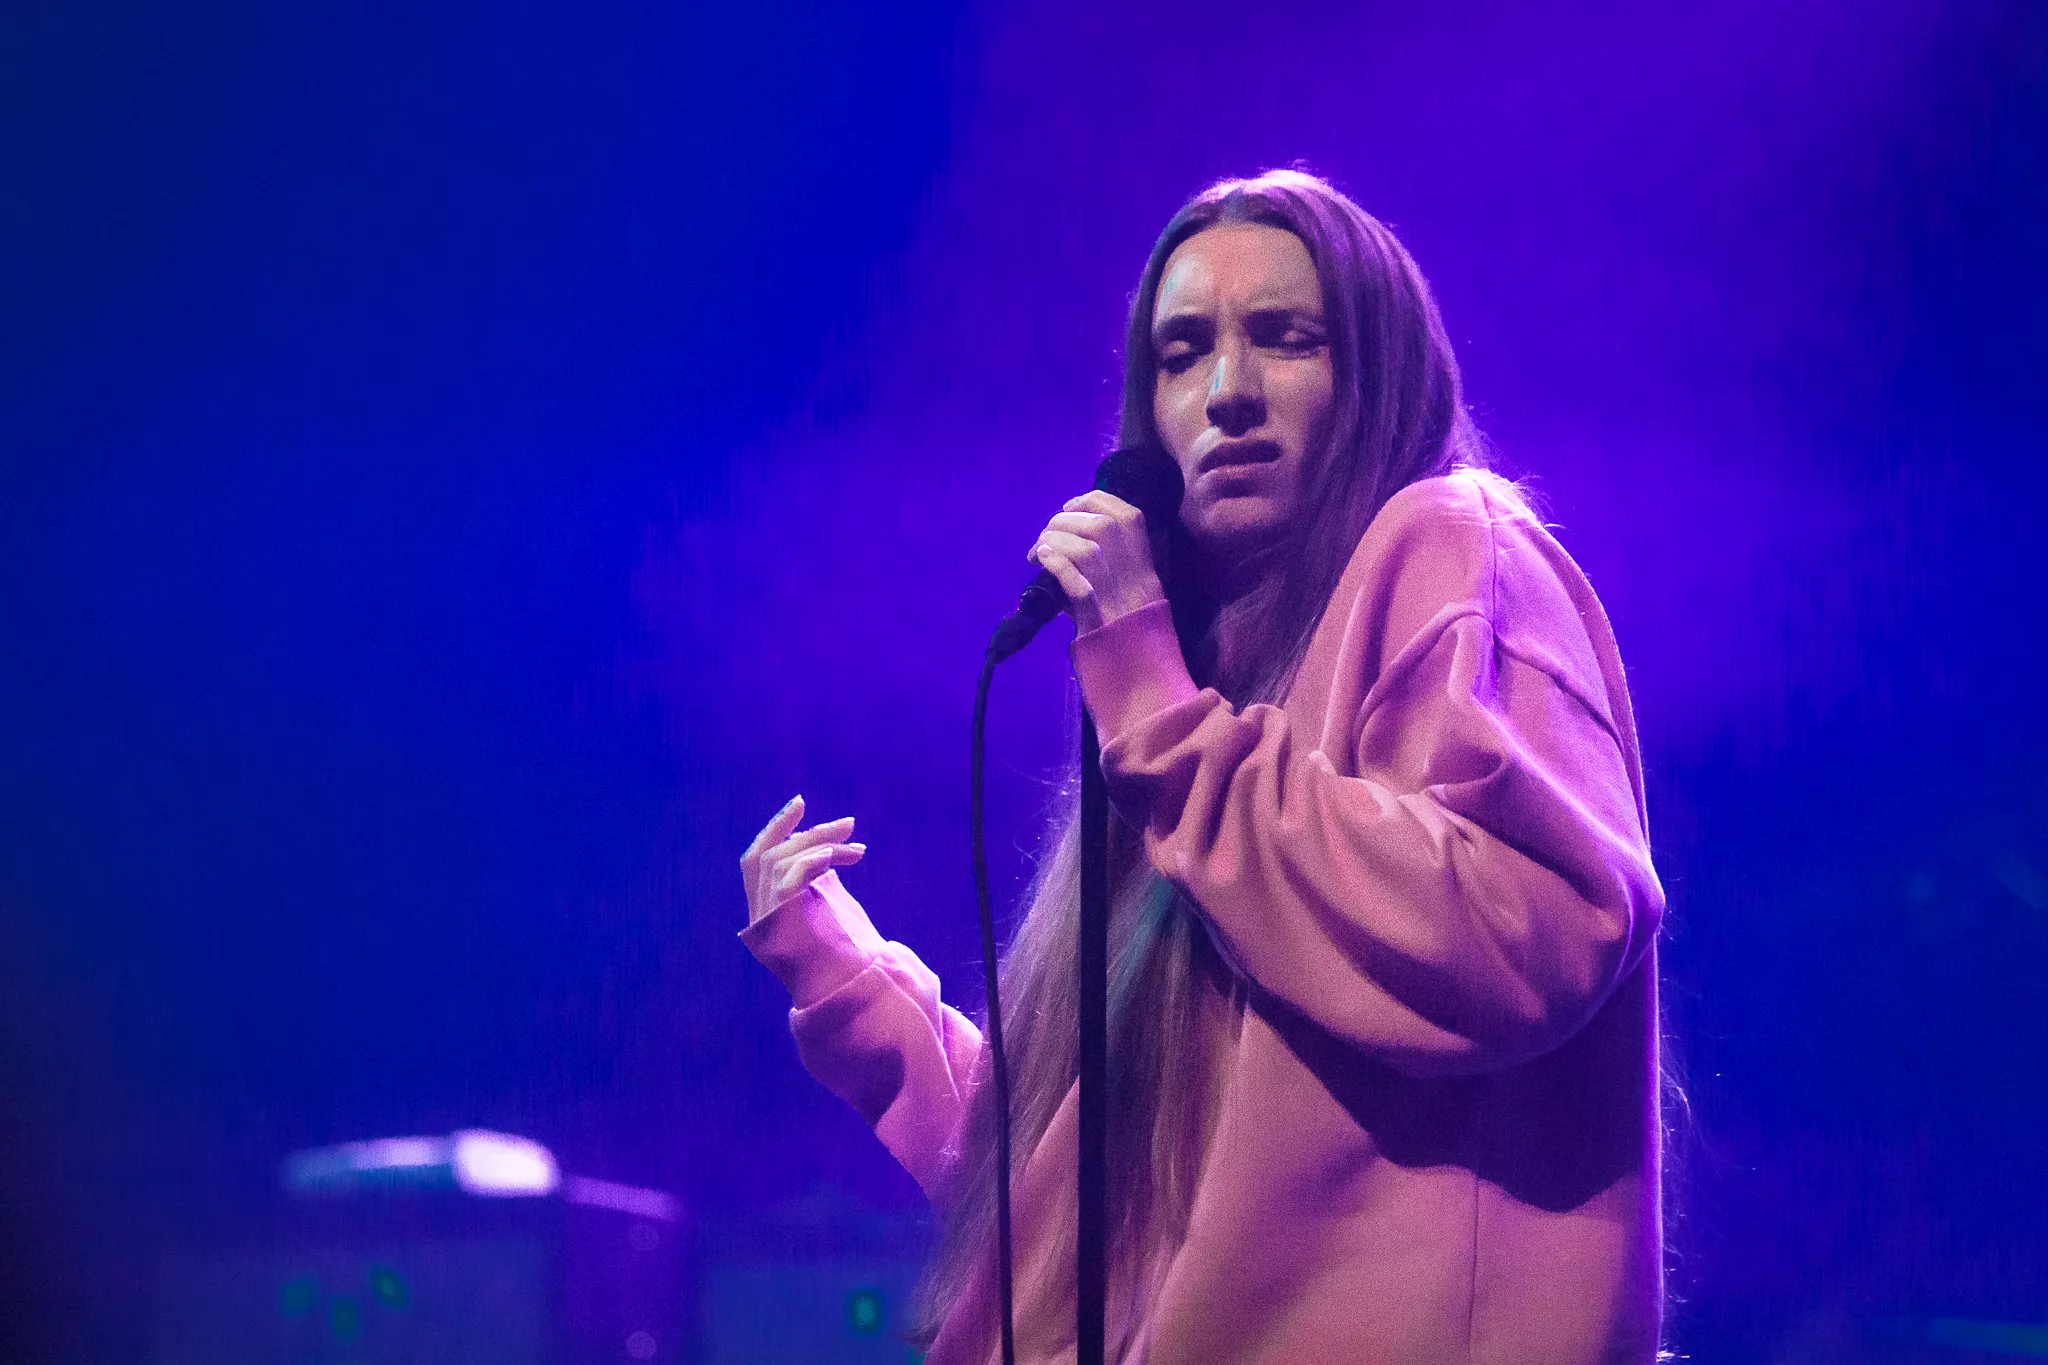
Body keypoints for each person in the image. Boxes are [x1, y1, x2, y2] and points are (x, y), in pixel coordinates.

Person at [738, 169, 1665, 1365]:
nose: (1226, 391)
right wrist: (856, 990)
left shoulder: (1446, 544)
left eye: (1284, 338)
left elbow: (1525, 930)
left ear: (1375, 372)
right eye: (1181, 354)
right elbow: (1098, 1199)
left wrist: (1162, 721)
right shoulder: (1200, 695)